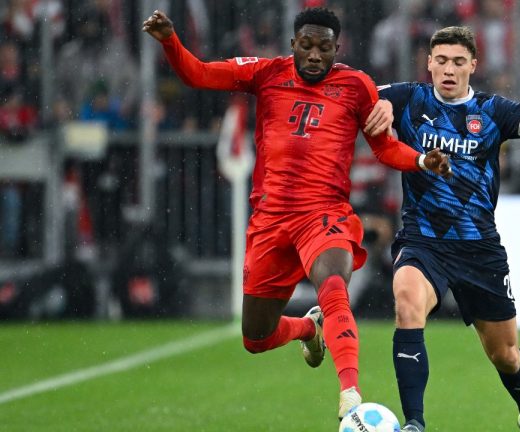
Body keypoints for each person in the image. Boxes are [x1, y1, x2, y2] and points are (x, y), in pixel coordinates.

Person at [142, 8, 451, 420]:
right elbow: (197, 74)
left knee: (334, 282)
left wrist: (421, 160)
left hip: (323, 214)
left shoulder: (356, 86)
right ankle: (307, 328)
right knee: (256, 337)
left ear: (337, 49)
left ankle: (350, 394)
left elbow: (384, 148)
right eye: (306, 45)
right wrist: (169, 40)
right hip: (270, 220)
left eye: (324, 47)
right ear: (293, 45)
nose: (315, 55)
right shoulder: (266, 73)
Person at [368, 26, 520, 432]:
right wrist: (376, 104)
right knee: (407, 305)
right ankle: (414, 422)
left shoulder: (493, 111)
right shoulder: (408, 98)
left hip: (479, 250)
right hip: (423, 241)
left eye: (458, 62)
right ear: (429, 63)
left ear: (473, 66)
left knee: (506, 356)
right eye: (441, 60)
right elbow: (351, 95)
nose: (449, 69)